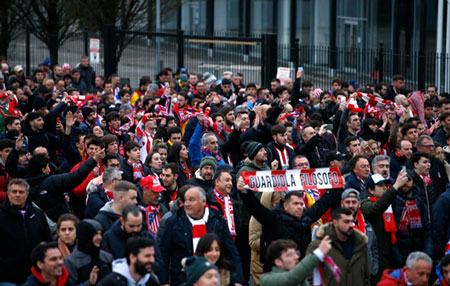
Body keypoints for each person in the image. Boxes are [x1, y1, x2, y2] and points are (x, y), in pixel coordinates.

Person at [158, 186, 243, 285]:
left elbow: (231, 251)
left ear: (203, 202)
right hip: (182, 279)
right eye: (185, 200)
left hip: (213, 279)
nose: (187, 204)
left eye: (192, 200)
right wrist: (163, 281)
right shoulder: (173, 222)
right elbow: (163, 254)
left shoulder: (217, 220)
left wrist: (237, 279)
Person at [361, 171, 410, 275]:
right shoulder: (365, 204)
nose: (384, 187)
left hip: (391, 252)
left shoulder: (388, 203)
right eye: (380, 185)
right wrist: (395, 186)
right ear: (371, 190)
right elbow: (377, 208)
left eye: (386, 185)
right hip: (377, 256)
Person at [307, 207, 370, 286]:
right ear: (335, 222)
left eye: (352, 221)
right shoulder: (318, 246)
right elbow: (309, 278)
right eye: (346, 222)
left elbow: (366, 277)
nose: (351, 225)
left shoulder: (360, 244)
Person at [260, 236, 332, 286]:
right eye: (290, 255)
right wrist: (318, 253)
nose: (296, 257)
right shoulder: (267, 280)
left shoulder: (300, 279)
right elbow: (290, 279)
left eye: (296, 253)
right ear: (278, 261)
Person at [64, 219, 113, 285]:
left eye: (100, 233)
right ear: (85, 236)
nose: (100, 237)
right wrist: (89, 283)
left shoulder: (107, 257)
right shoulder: (71, 262)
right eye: (95, 234)